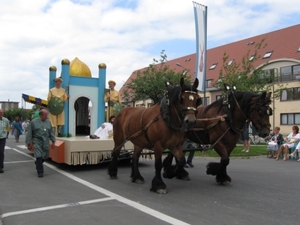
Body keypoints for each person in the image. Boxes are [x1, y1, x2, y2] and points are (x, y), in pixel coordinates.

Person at [25, 109, 56, 177]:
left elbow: (51, 132)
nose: (47, 116)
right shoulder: (33, 122)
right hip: (37, 141)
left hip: (45, 141)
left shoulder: (48, 122)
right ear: (41, 115)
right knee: (38, 155)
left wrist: (53, 141)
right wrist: (29, 143)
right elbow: (29, 133)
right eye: (46, 115)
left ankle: (38, 163)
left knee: (45, 156)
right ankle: (40, 172)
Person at [0, 109, 10, 173]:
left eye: (2, 112)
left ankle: (1, 167)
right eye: (0, 112)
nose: (1, 113)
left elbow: (8, 128)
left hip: (2, 138)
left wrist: (7, 134)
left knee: (1, 152)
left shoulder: (6, 120)